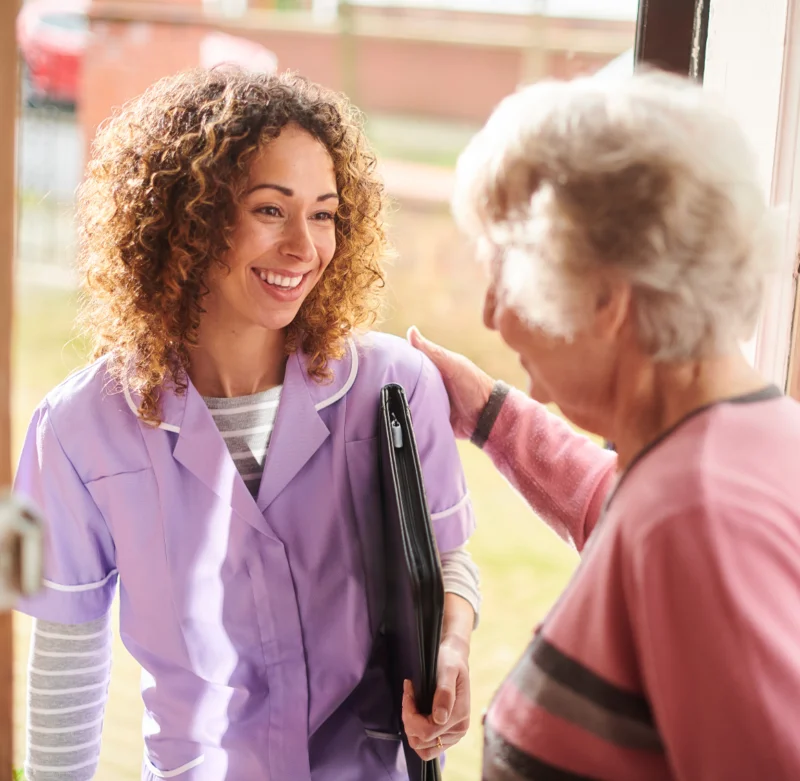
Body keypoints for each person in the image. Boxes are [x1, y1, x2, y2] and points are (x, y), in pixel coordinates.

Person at [13, 67, 479, 781]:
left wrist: (451, 648)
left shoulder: (392, 390)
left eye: (323, 214)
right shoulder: (77, 430)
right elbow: (67, 657)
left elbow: (445, 559)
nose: (304, 247)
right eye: (271, 209)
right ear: (188, 219)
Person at [408, 70, 800, 780]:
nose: (492, 315)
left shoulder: (694, 518)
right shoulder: (750, 439)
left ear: (604, 300)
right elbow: (628, 516)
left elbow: (675, 533)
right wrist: (490, 411)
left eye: (506, 275)